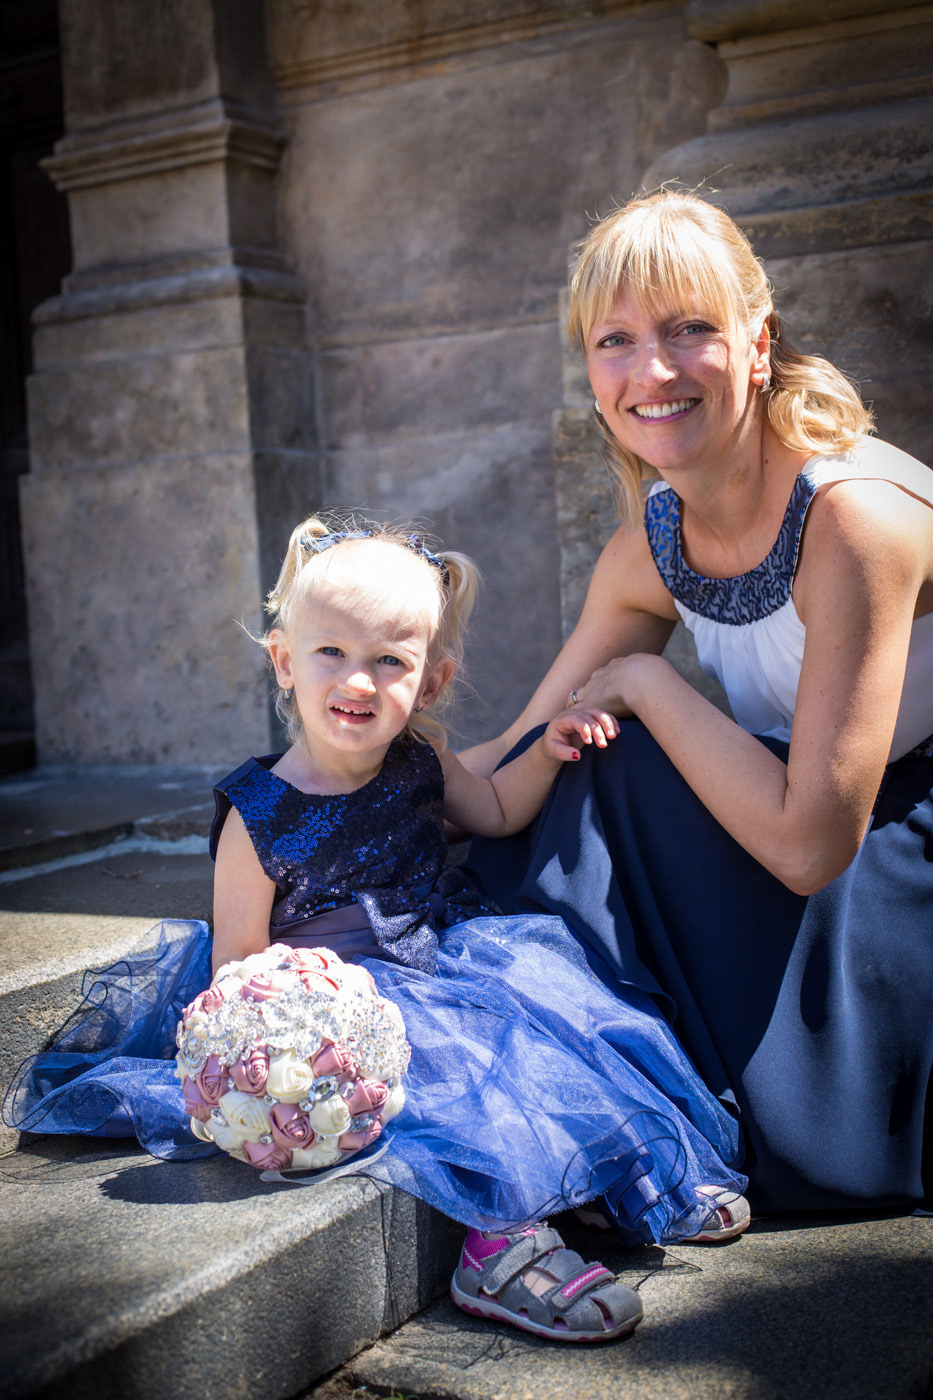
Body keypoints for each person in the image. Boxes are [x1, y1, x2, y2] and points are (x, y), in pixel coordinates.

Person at [6, 513, 750, 1345]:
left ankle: (611, 1178)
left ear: (429, 683)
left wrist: (548, 747)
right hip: (335, 1010)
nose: (358, 681)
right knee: (461, 1085)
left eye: (389, 661)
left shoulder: (421, 761)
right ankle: (497, 1244)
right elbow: (236, 966)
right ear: (284, 663)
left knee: (556, 1034)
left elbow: (496, 811)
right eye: (331, 652)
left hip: (449, 957)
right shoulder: (258, 813)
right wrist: (290, 1046)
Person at [463, 189, 933, 1217]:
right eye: (616, 341)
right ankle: (557, 1061)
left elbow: (811, 844)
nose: (653, 371)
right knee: (574, 766)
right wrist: (345, 784)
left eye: (689, 331)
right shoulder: (655, 542)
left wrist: (645, 681)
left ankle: (630, 1097)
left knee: (623, 755)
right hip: (807, 820)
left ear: (757, 346)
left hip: (897, 851)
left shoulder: (853, 520)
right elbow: (519, 751)